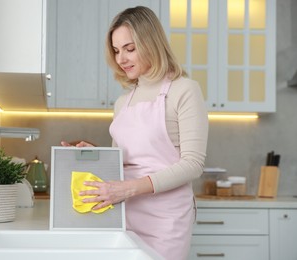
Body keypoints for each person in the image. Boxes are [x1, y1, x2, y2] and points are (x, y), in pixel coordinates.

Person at [62, 6, 208, 260]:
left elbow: (193, 164)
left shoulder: (184, 90)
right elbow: (125, 161)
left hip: (166, 220)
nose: (121, 59)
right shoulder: (123, 102)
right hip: (124, 212)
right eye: (117, 51)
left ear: (151, 43)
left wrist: (127, 189)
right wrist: (97, 154)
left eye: (130, 49)